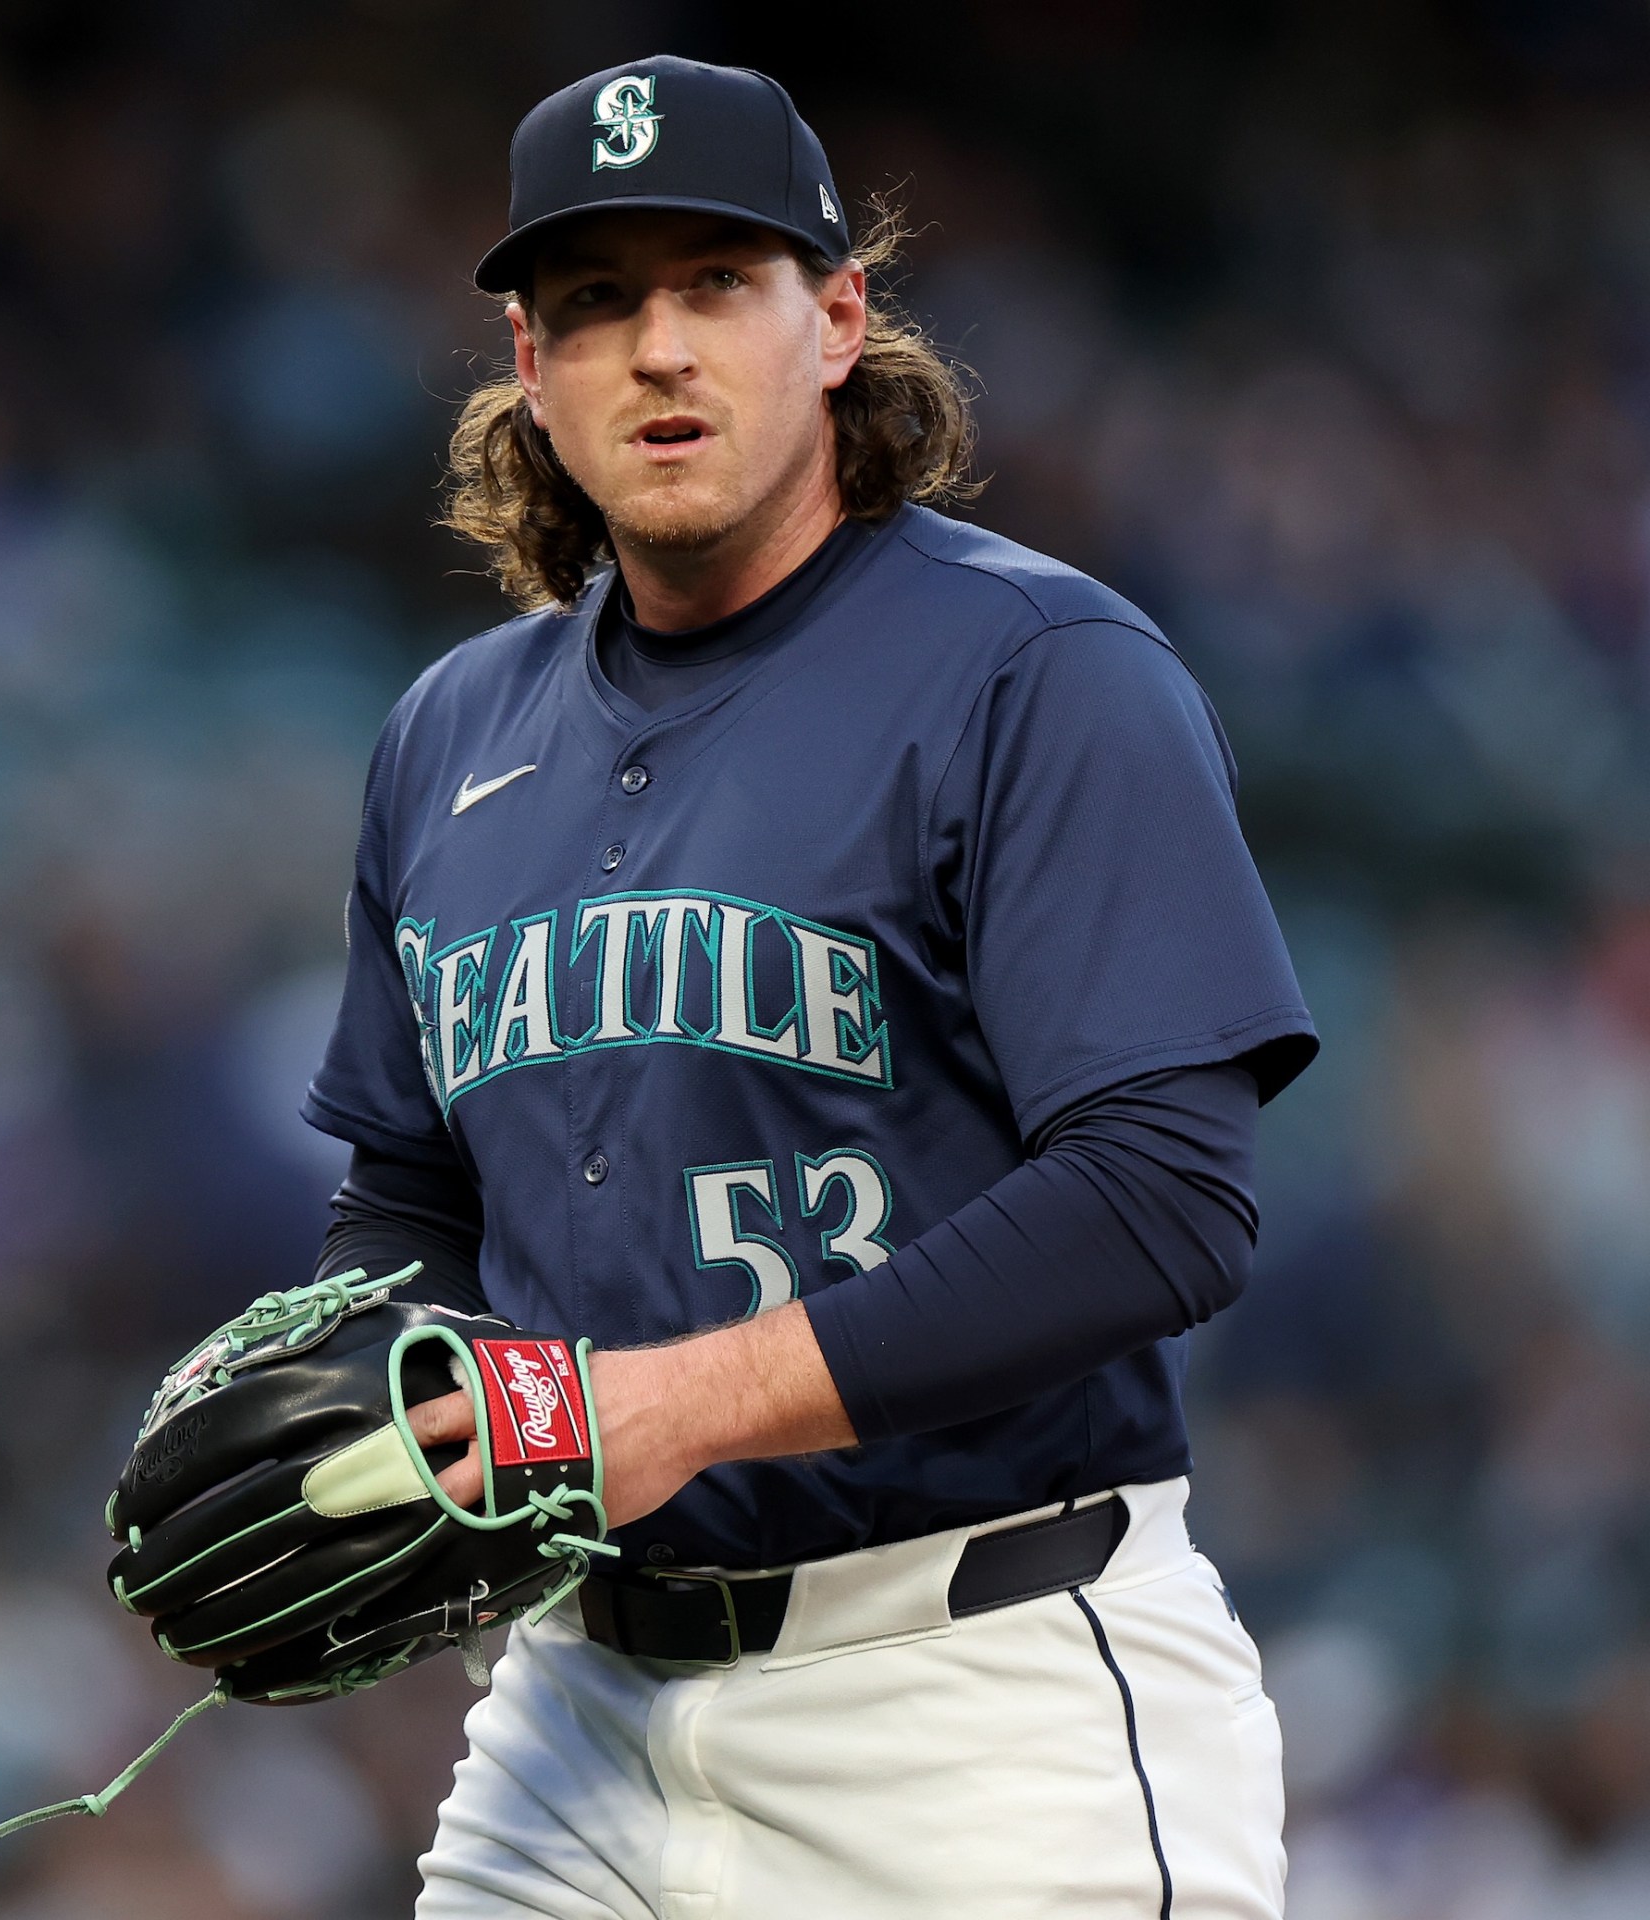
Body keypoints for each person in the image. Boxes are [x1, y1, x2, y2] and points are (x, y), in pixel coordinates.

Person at [300, 55, 1314, 1919]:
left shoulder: (1040, 670)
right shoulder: (449, 735)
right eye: (597, 302)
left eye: (714, 283)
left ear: (837, 320)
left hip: (979, 1707)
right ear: (531, 368)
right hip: (578, 1716)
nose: (657, 348)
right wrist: (369, 1401)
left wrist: (683, 1402)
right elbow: (412, 1194)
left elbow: (1168, 1194)